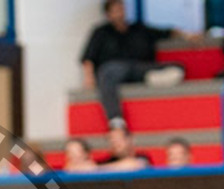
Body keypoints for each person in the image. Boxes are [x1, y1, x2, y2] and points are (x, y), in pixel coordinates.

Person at [81, 0, 198, 130]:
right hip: (114, 69)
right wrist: (89, 78)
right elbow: (88, 58)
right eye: (116, 10)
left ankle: (150, 78)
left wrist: (186, 34)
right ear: (108, 14)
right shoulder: (100, 32)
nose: (121, 13)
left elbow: (167, 32)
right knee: (107, 74)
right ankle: (116, 119)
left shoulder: (138, 29)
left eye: (122, 9)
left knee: (177, 67)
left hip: (140, 68)